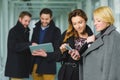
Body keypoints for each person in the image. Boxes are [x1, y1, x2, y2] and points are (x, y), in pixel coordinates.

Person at [82, 6, 120, 80]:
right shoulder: (99, 37)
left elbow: (113, 67)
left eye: (98, 21)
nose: (95, 24)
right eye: (94, 21)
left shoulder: (113, 36)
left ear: (108, 20)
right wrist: (88, 44)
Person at [58, 9, 95, 80]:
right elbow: (57, 57)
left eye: (80, 22)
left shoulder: (92, 38)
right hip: (66, 73)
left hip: (82, 73)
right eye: (74, 24)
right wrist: (61, 51)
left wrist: (79, 58)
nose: (78, 26)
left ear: (85, 20)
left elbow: (93, 60)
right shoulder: (67, 34)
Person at [31, 8, 61, 80]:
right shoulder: (35, 29)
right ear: (40, 17)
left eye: (47, 19)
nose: (44, 21)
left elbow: (58, 50)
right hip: (36, 63)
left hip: (48, 64)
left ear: (51, 18)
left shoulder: (56, 31)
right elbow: (33, 42)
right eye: (42, 18)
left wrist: (46, 54)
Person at [5, 11, 32, 80]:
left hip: (21, 65)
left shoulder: (25, 31)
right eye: (25, 21)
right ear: (20, 19)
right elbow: (14, 47)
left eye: (29, 21)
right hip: (15, 65)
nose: (27, 23)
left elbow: (23, 46)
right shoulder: (13, 31)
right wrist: (29, 44)